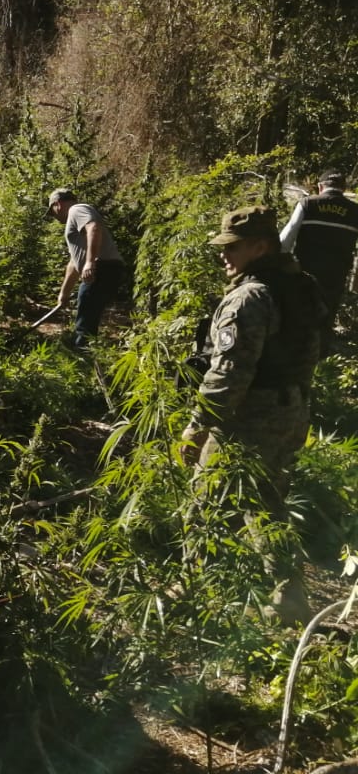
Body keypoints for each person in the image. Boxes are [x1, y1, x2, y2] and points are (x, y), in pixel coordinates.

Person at [179, 205, 327, 623]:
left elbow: (229, 372)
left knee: (203, 504)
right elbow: (311, 353)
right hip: (291, 410)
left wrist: (197, 427)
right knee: (267, 506)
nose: (224, 255)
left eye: (233, 247)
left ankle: (200, 598)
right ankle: (288, 596)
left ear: (260, 246)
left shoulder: (249, 297)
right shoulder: (300, 284)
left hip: (249, 417)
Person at [279, 171, 358, 355]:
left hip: (305, 272)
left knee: (300, 314)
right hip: (336, 275)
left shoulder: (308, 203)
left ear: (320, 186)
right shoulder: (355, 211)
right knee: (326, 315)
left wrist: (278, 265)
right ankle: (319, 356)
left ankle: (295, 355)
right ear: (343, 189)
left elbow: (287, 237)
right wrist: (355, 278)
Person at [46, 188, 127, 349]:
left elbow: (93, 228)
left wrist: (90, 262)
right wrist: (64, 294)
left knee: (86, 317)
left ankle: (83, 357)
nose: (54, 217)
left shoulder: (77, 209)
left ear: (58, 204)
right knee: (88, 313)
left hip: (103, 267)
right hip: (105, 268)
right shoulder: (74, 220)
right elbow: (74, 263)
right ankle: (87, 353)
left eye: (52, 212)